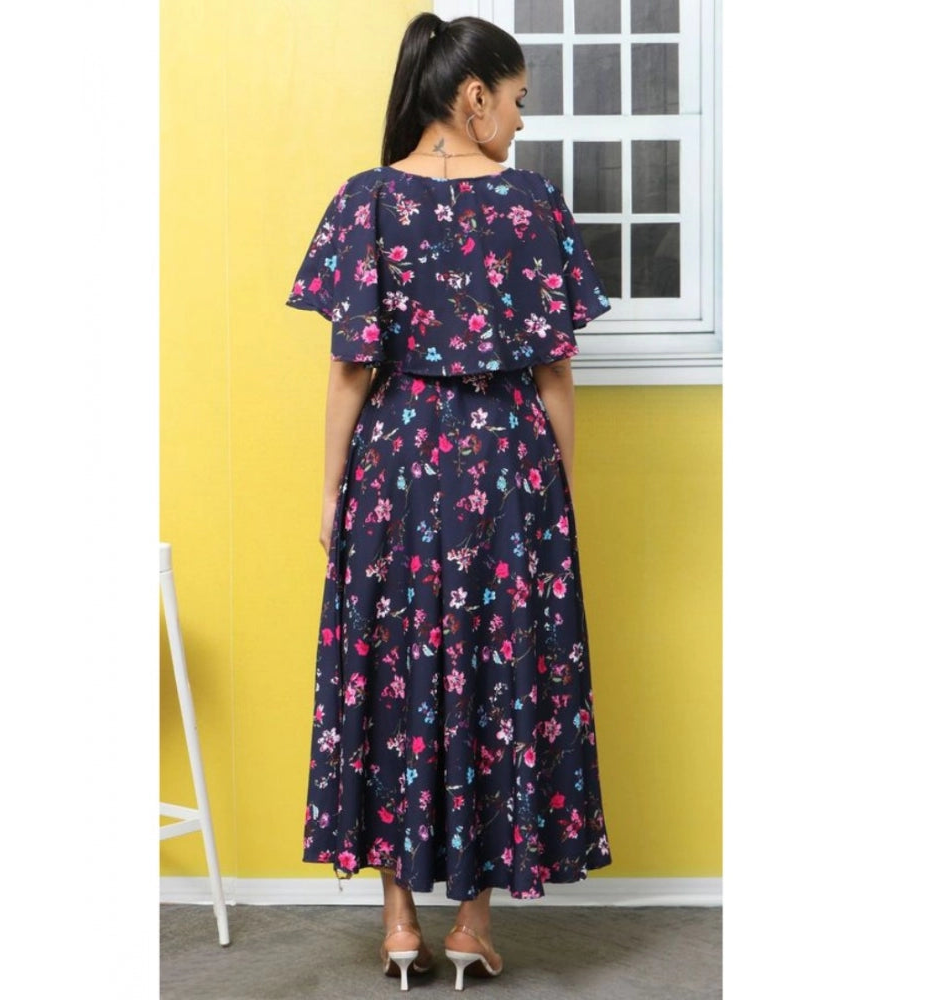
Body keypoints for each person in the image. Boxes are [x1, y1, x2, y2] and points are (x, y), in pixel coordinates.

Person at [286, 12, 613, 992]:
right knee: (502, 681)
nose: (520, 121)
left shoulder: (366, 199)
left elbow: (350, 369)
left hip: (396, 468)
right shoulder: (532, 204)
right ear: (473, 96)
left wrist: (332, 489)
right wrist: (558, 490)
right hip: (508, 469)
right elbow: (554, 371)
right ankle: (472, 924)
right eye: (516, 101)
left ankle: (399, 925)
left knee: (393, 679)